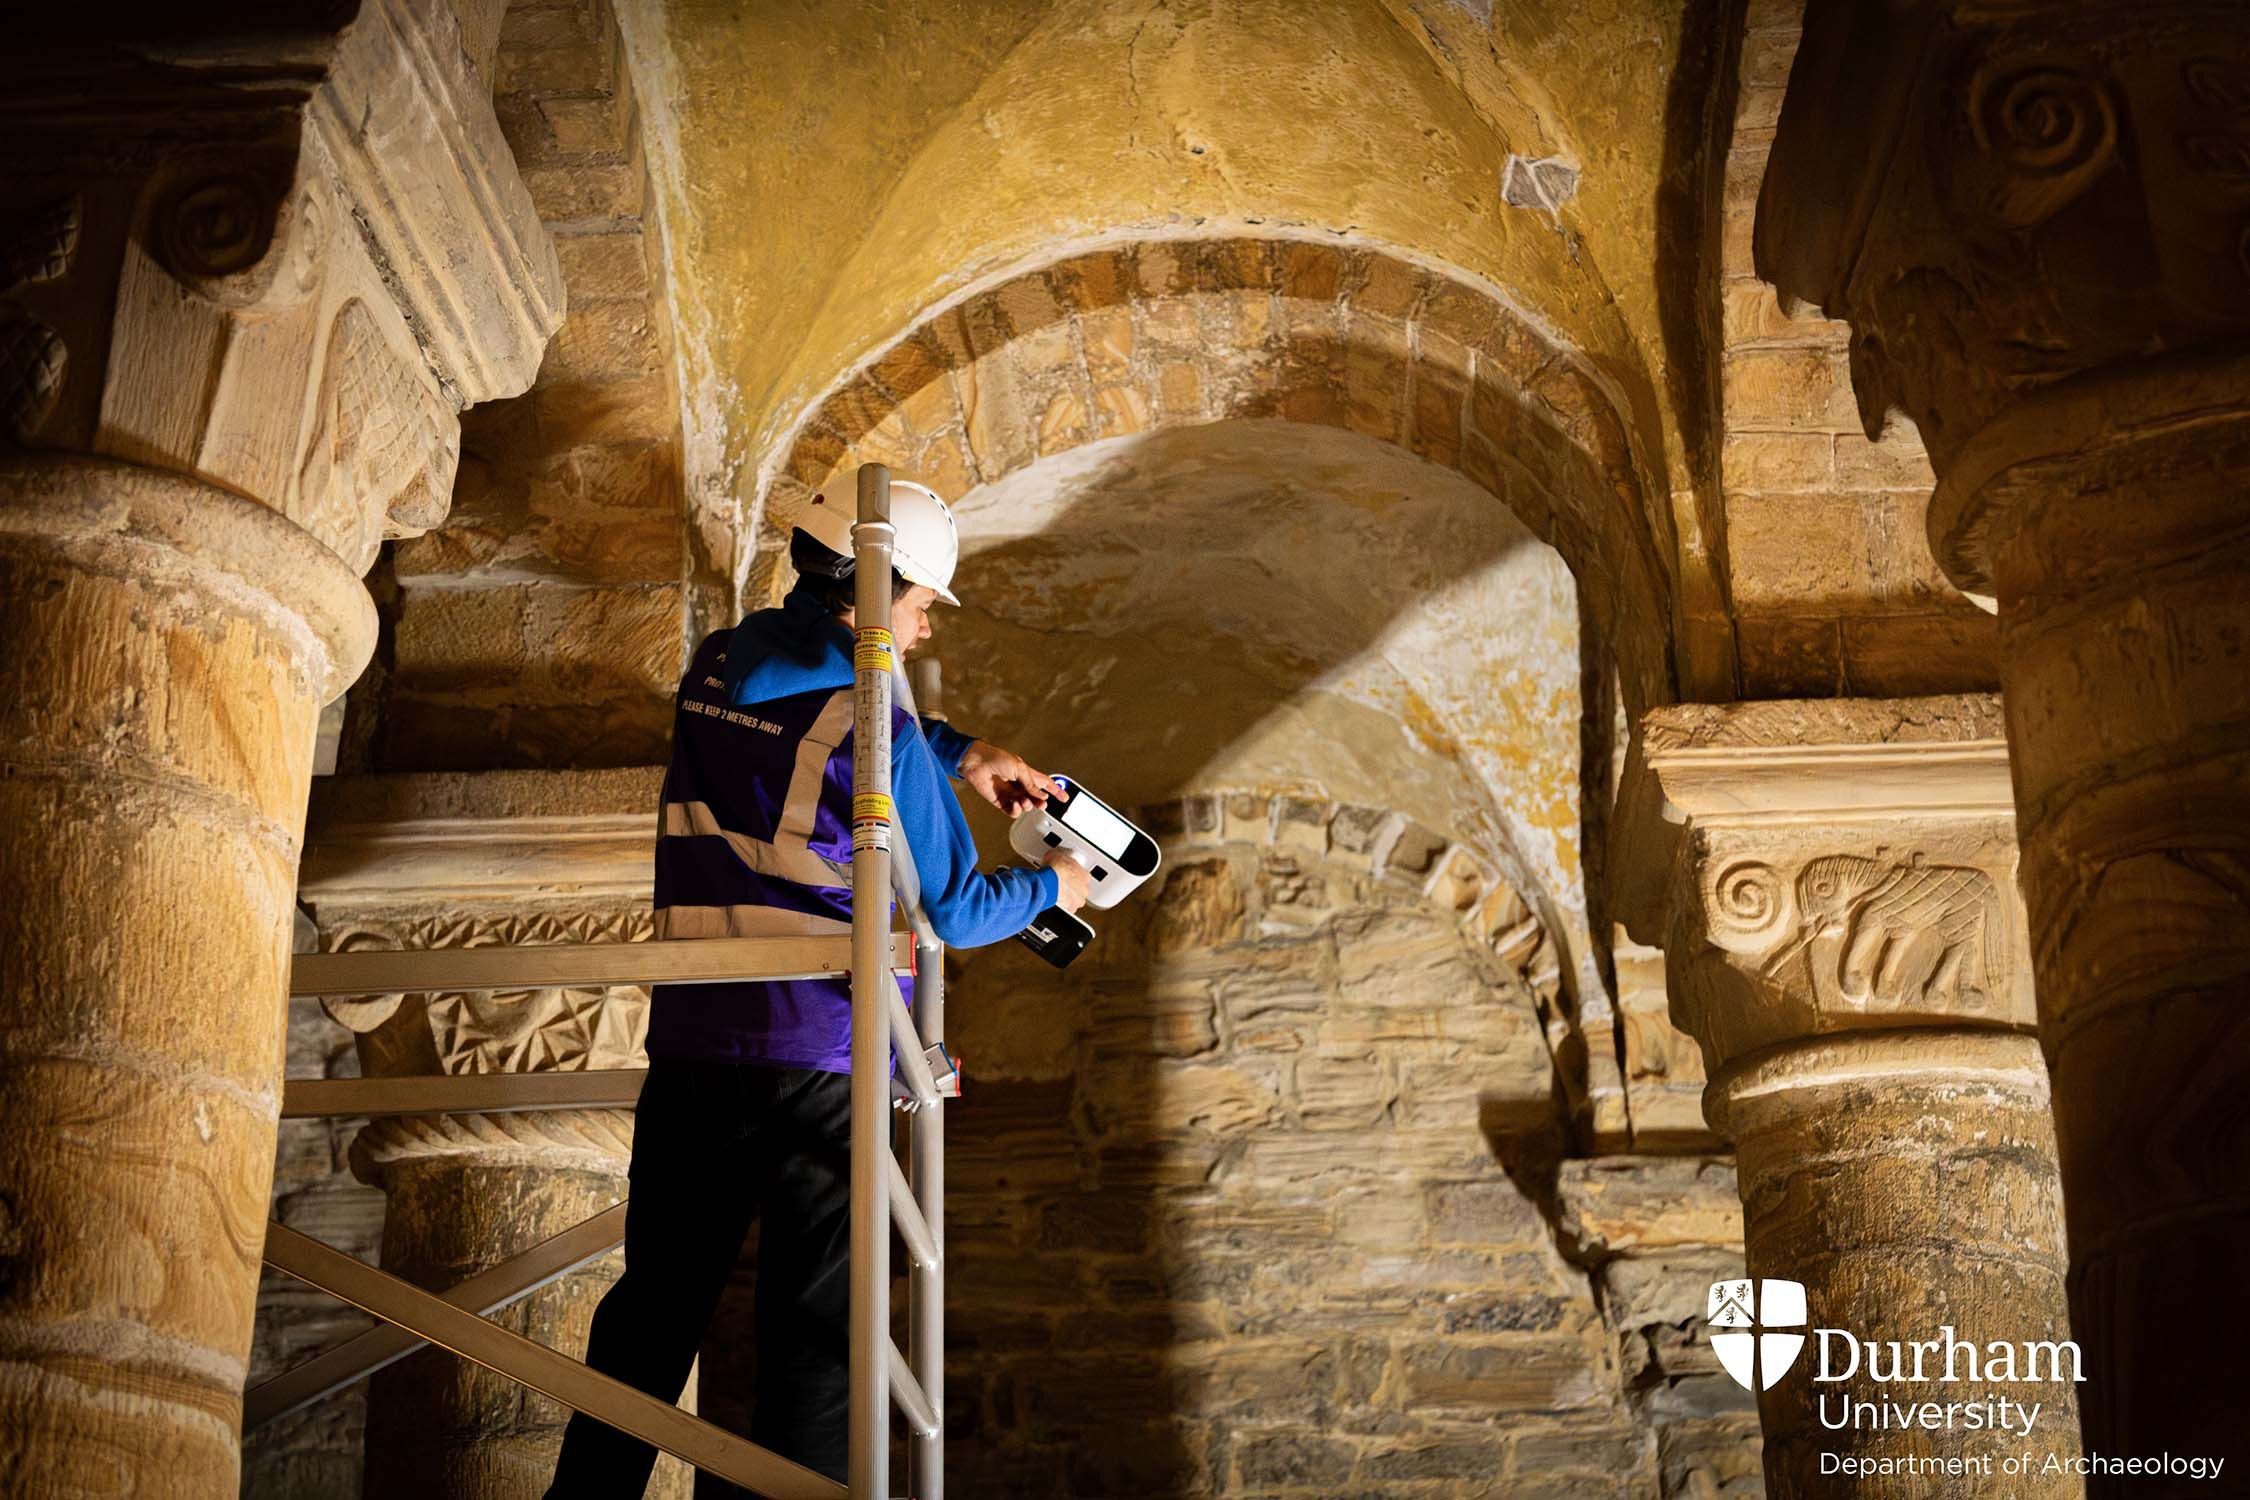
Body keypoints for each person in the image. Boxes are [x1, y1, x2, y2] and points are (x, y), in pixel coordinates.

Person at [546, 480, 1089, 1494]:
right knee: (817, 1330)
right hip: (818, 1052)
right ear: (872, 587)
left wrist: (966, 754)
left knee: (655, 1307)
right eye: (921, 603)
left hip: (696, 1035)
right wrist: (1059, 881)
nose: (923, 630)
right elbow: (962, 909)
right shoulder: (873, 697)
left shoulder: (721, 661)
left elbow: (830, 706)